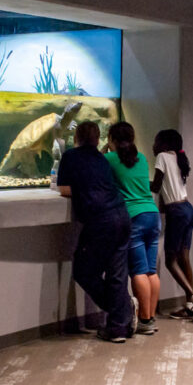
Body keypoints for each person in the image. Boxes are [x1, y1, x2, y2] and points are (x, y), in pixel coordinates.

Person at [57, 121, 135, 343]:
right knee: (117, 273)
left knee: (84, 271)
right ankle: (119, 326)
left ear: (76, 137)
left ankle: (122, 312)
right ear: (98, 138)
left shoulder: (71, 157)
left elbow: (63, 189)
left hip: (101, 221)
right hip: (122, 215)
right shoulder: (102, 159)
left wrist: (82, 189)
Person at [105, 122, 163, 335]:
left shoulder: (109, 158)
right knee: (150, 270)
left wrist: (106, 148)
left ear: (111, 138)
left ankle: (145, 320)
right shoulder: (142, 158)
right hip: (152, 214)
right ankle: (150, 318)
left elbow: (100, 163)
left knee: (138, 271)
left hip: (134, 217)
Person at [150, 129, 193, 321]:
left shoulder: (161, 157)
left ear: (163, 144)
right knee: (184, 257)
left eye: (156, 141)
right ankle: (190, 306)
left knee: (170, 261)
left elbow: (156, 186)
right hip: (188, 209)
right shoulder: (178, 157)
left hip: (176, 212)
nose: (153, 145)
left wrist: (136, 179)